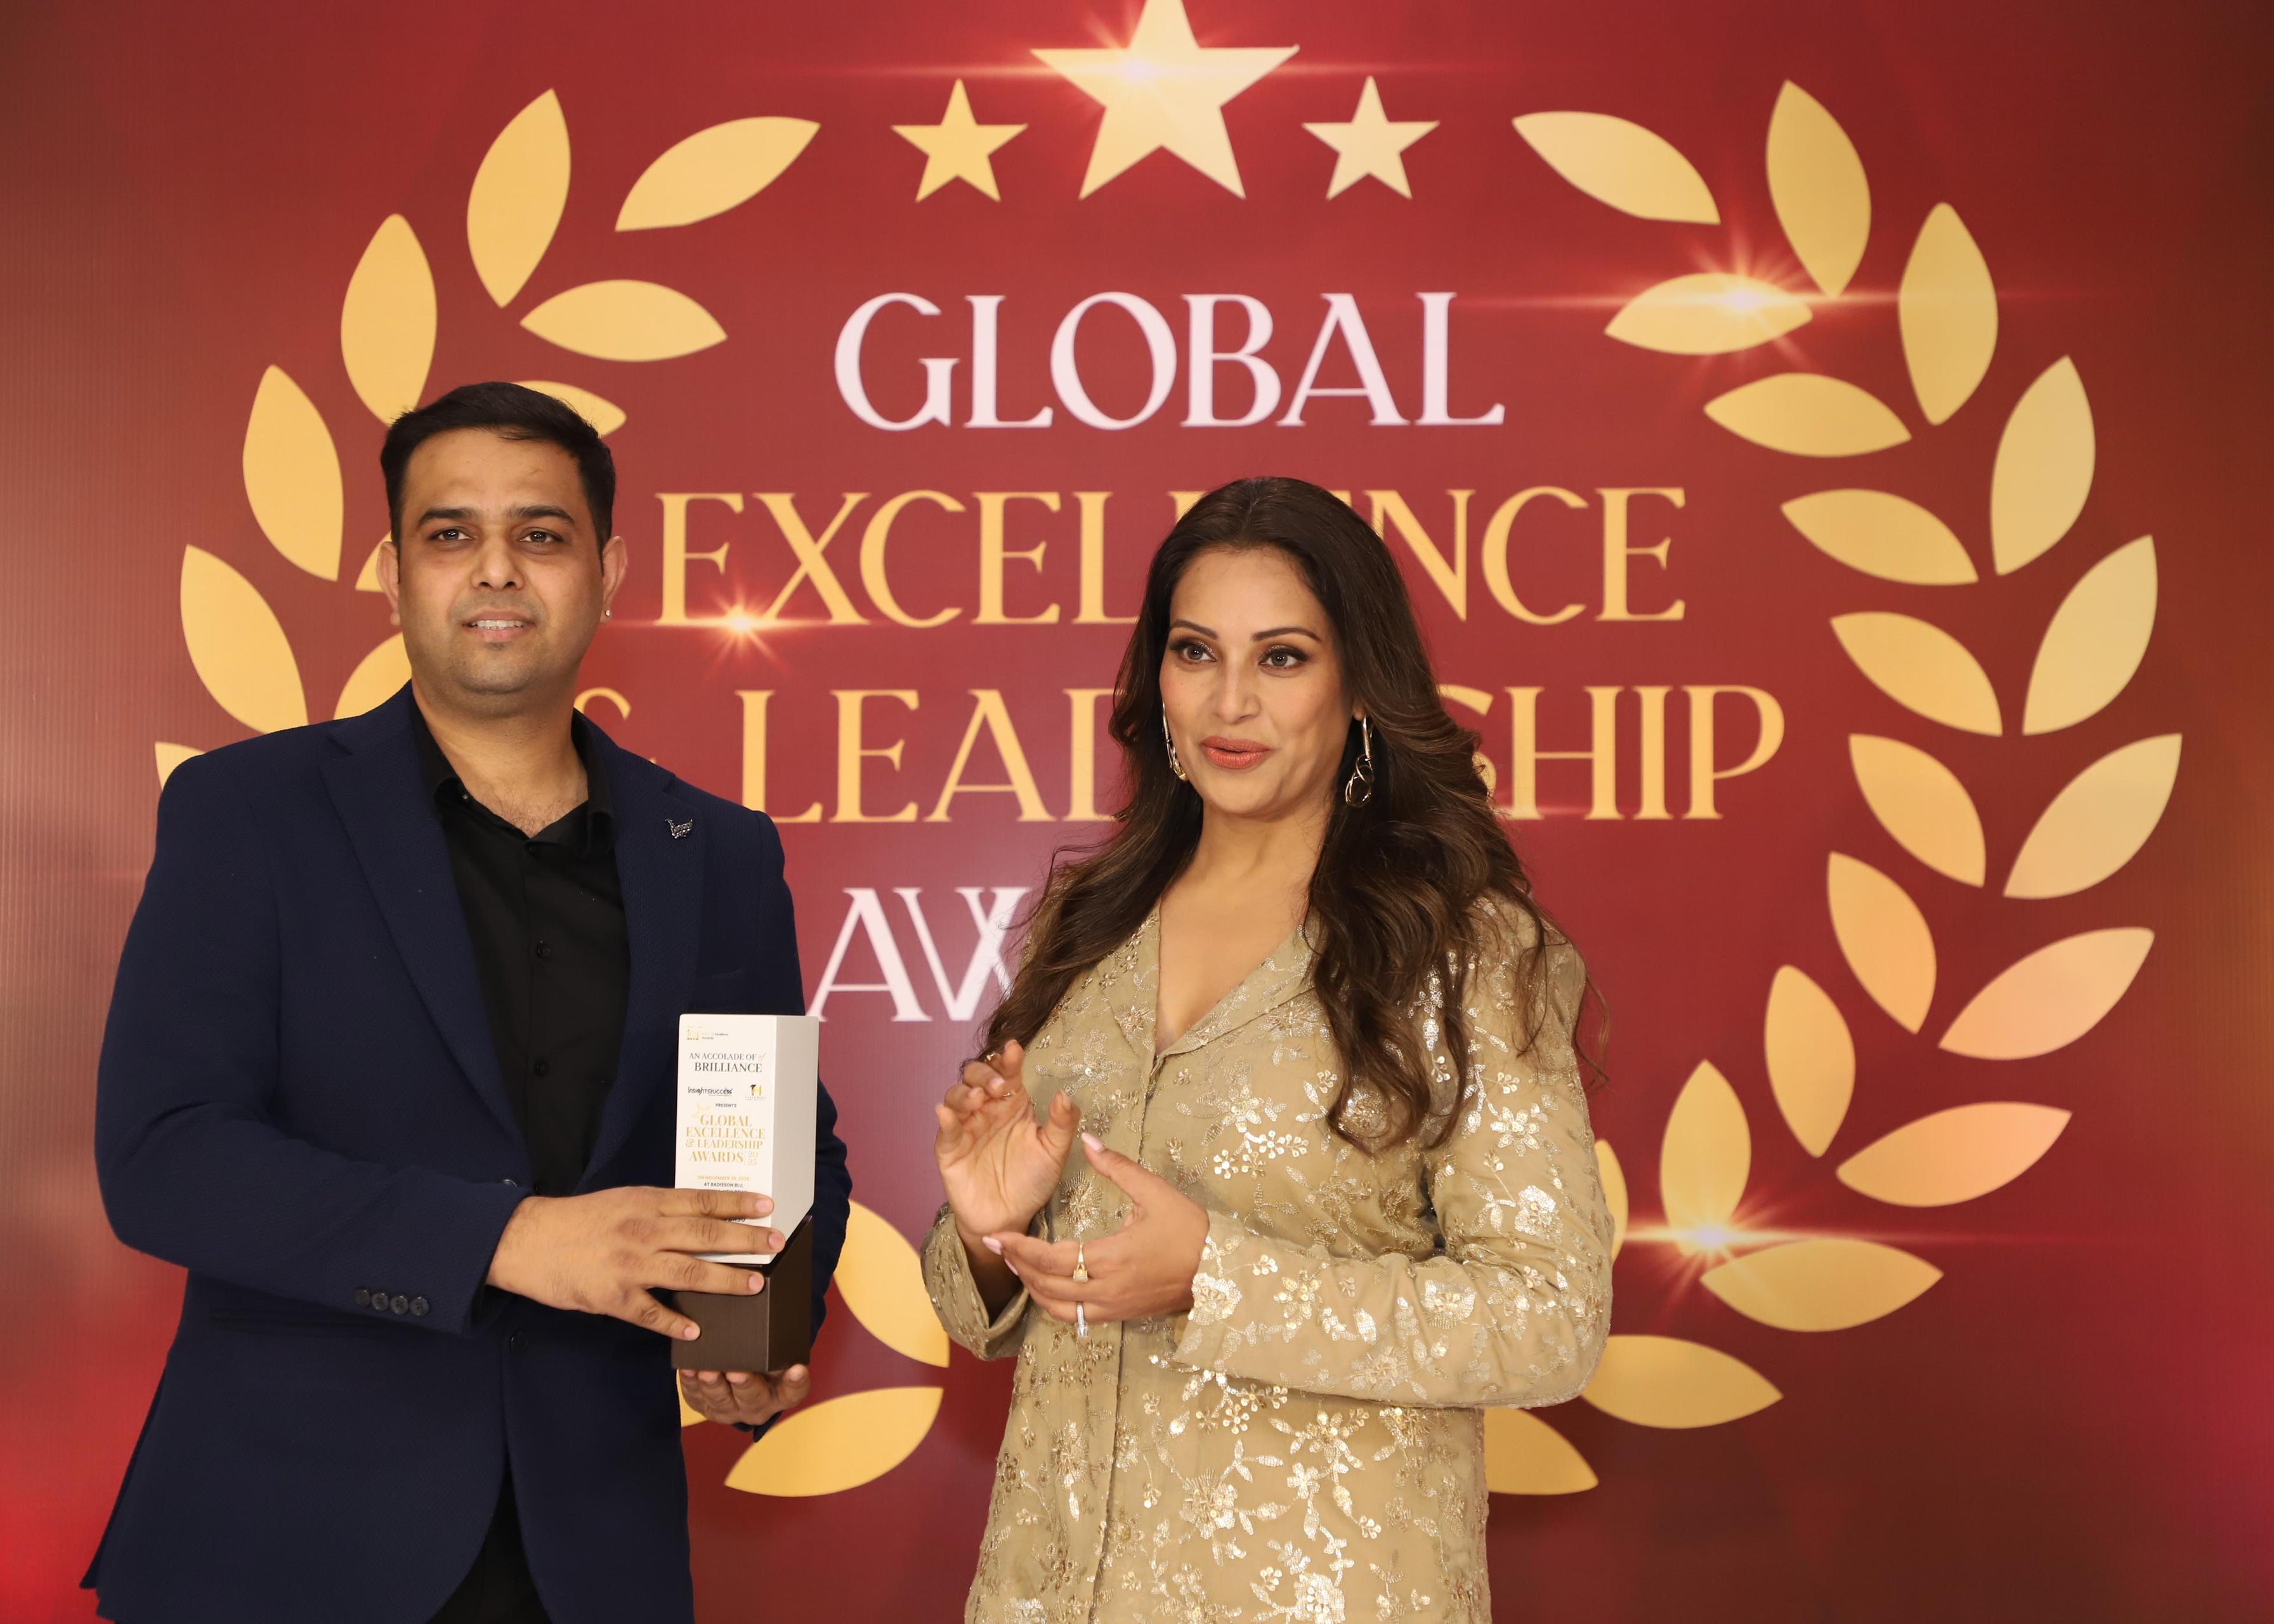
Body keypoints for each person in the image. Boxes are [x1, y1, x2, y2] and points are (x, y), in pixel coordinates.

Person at [87, 383, 851, 1624]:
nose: (497, 569)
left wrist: (750, 1324)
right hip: (284, 1547)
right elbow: (165, 1156)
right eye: (452, 533)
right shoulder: (249, 816)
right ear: (392, 569)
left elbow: (768, 1137)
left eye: (541, 534)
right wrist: (506, 1239)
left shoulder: (712, 851)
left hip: (591, 1556)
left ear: (608, 568)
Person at [924, 478, 1611, 1624]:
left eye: (1283, 657)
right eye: (1196, 652)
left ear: (1358, 687)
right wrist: (995, 1238)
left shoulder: (1459, 947)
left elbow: (1549, 1318)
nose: (1230, 700)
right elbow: (983, 1310)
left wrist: (1220, 1277)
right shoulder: (1092, 928)